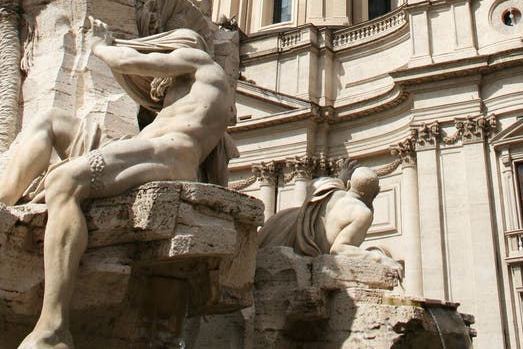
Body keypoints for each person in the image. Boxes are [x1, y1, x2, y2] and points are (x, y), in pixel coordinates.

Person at [0, 18, 232, 349]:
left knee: (65, 179)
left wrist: (99, 45)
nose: (157, 86)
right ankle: (5, 199)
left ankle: (54, 327)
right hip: (142, 147)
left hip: (169, 154)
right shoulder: (187, 97)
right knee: (49, 121)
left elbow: (128, 62)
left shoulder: (201, 62)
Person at [258, 166, 380, 258]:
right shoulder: (363, 213)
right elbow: (339, 249)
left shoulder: (328, 188)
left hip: (279, 228)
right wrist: (379, 258)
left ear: (348, 184)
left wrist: (339, 180)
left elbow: (313, 185)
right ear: (376, 193)